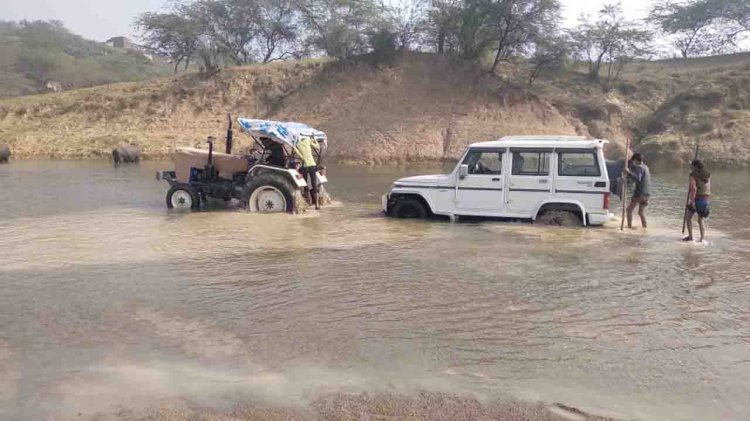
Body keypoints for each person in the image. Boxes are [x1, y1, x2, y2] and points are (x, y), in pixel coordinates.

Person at [683, 159, 711, 242]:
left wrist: (692, 201)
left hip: (697, 199)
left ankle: (690, 237)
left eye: (692, 165)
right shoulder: (708, 175)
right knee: (700, 220)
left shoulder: (693, 175)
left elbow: (694, 189)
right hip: (706, 199)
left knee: (688, 219)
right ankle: (702, 239)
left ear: (695, 166)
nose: (690, 167)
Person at [624, 153, 651, 229]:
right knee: (641, 213)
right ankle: (645, 228)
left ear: (635, 160)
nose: (633, 163)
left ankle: (629, 227)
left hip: (639, 194)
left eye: (633, 161)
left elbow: (638, 178)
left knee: (629, 210)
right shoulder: (646, 167)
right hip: (647, 194)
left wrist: (628, 172)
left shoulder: (639, 168)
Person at [294, 135, 321, 209]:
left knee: (305, 184)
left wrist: (295, 149)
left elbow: (301, 157)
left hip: (305, 166)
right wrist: (314, 139)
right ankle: (317, 204)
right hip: (312, 164)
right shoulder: (308, 139)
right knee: (314, 183)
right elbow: (317, 147)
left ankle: (309, 202)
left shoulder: (298, 143)